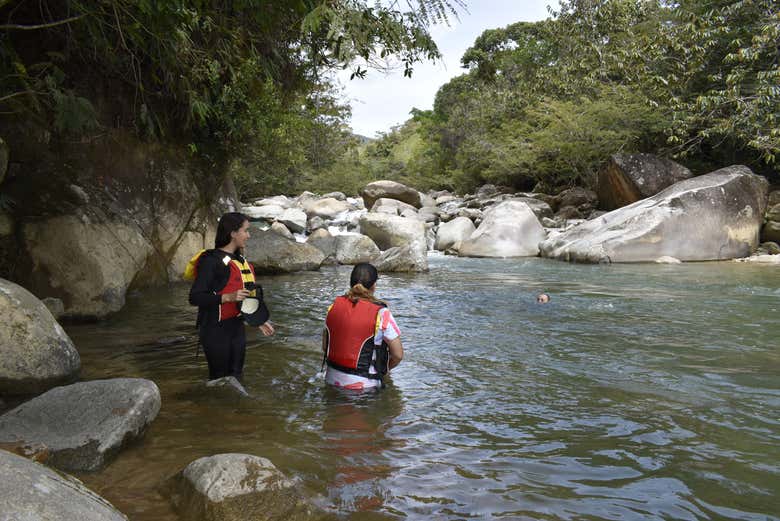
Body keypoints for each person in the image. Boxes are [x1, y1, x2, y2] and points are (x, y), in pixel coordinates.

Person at [188, 212, 274, 381]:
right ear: (233, 233)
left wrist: (258, 320)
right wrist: (227, 297)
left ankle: (234, 407)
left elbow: (247, 300)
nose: (248, 235)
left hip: (236, 329)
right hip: (214, 330)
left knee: (236, 376)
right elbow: (195, 297)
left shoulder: (241, 262)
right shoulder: (210, 261)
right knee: (219, 378)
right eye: (246, 230)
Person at [322, 263, 403, 391]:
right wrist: (384, 370)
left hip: (331, 380)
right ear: (374, 285)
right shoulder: (382, 313)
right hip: (364, 387)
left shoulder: (333, 307)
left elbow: (324, 346)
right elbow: (398, 355)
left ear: (351, 282)